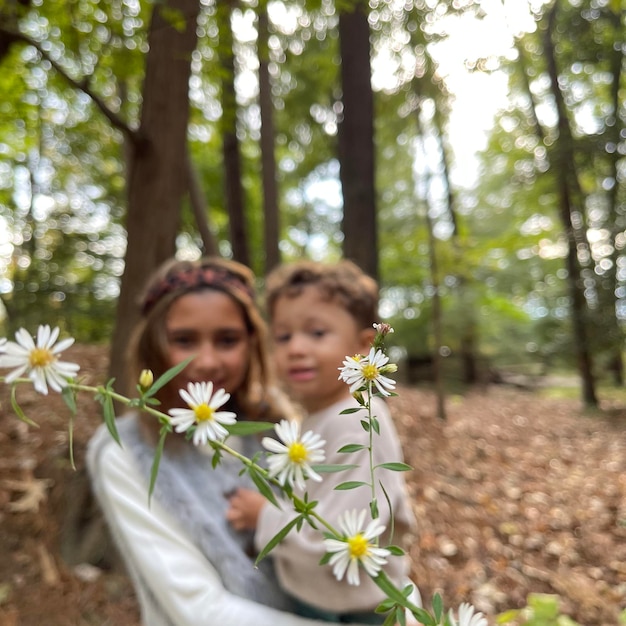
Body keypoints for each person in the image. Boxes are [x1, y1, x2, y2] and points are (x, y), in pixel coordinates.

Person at [87, 256, 369, 626]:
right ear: (154, 345)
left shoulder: (274, 428)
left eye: (227, 340)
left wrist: (398, 600)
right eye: (184, 340)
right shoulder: (125, 452)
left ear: (252, 343)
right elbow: (199, 610)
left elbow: (338, 532)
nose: (207, 361)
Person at [226, 259, 419, 624]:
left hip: (359, 612)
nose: (296, 348)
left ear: (363, 348)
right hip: (315, 600)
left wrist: (263, 515)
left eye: (316, 333)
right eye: (283, 336)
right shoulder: (315, 419)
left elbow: (344, 537)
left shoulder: (360, 422)